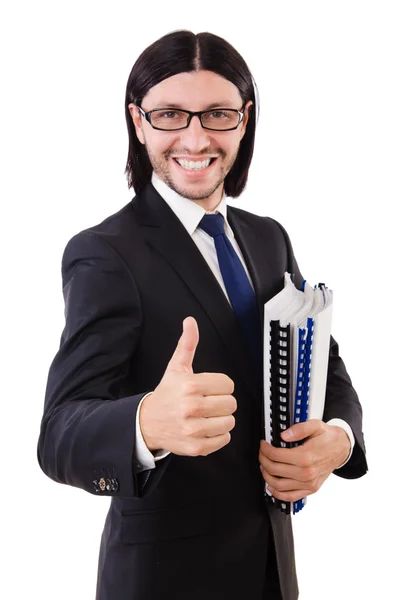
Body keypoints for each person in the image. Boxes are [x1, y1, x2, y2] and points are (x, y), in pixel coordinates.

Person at [37, 30, 367, 600]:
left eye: (216, 113)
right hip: (166, 579)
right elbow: (59, 433)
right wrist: (145, 424)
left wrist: (338, 439)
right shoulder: (105, 253)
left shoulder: (268, 239)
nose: (195, 137)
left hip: (274, 570)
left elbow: (324, 361)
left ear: (245, 120)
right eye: (169, 114)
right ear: (138, 123)